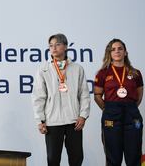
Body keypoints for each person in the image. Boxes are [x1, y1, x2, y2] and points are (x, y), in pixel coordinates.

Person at [31, 33, 91, 166]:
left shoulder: (77, 68)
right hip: (52, 121)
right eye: (51, 45)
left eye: (57, 44)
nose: (54, 48)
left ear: (65, 46)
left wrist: (83, 116)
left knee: (76, 158)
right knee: (53, 159)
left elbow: (84, 94)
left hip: (74, 120)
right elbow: (38, 97)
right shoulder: (43, 69)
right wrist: (40, 120)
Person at [94, 38, 143, 166]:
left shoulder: (135, 73)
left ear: (125, 52)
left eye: (120, 49)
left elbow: (139, 95)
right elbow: (97, 95)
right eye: (113, 49)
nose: (117, 51)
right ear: (109, 53)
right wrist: (108, 109)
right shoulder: (103, 73)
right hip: (111, 114)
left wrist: (130, 108)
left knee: (134, 155)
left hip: (132, 115)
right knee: (113, 157)